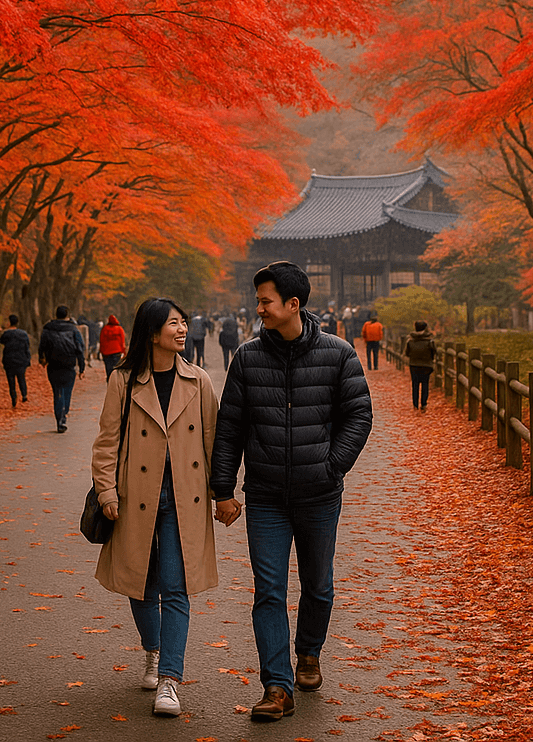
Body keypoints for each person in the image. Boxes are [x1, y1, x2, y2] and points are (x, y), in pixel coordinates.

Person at [210, 261, 373, 722]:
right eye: (259, 301)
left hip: (319, 494)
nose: (259, 308)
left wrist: (330, 466)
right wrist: (223, 488)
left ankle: (309, 652)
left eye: (266, 301)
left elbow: (359, 415)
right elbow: (229, 427)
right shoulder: (247, 358)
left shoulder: (338, 354)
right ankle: (277, 686)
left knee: (318, 585)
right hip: (265, 496)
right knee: (269, 591)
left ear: (293, 304)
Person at [90, 297, 220, 718]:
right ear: (151, 333)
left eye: (184, 322)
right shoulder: (123, 381)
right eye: (173, 324)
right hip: (135, 496)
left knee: (176, 587)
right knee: (141, 585)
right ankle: (153, 650)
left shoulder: (199, 380)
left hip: (185, 497)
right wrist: (106, 492)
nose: (182, 330)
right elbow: (107, 442)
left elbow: (214, 442)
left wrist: (222, 493)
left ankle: (169, 679)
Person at [38, 305, 85, 433]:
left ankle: (59, 418)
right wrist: (82, 368)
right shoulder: (73, 330)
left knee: (57, 392)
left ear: (56, 315)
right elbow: (80, 349)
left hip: (53, 365)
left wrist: (42, 359)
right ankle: (63, 415)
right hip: (69, 365)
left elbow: (42, 346)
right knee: (67, 392)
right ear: (67, 315)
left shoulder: (48, 329)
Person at [404, 319, 437, 411]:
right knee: (425, 384)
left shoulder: (410, 340)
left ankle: (415, 405)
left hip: (414, 364)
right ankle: (424, 404)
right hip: (426, 365)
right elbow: (434, 352)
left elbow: (407, 353)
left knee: (415, 385)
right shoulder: (430, 340)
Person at [0, 314, 31, 407]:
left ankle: (13, 397)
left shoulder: (6, 334)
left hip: (9, 360)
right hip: (21, 360)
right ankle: (24, 394)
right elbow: (27, 346)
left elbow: (1, 341)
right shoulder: (23, 334)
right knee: (21, 378)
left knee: (11, 380)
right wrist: (28, 359)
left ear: (9, 322)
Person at [98, 314, 126, 380]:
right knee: (116, 368)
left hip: (106, 352)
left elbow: (101, 341)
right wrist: (124, 351)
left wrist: (101, 351)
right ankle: (115, 381)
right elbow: (122, 342)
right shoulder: (119, 329)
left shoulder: (104, 329)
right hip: (117, 352)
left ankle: (109, 380)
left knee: (108, 368)